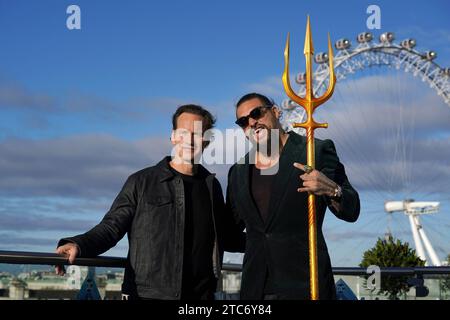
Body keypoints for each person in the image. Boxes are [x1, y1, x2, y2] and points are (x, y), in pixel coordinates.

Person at [55, 104, 245, 300]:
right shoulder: (141, 181)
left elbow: (227, 236)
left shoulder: (212, 187)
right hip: (147, 295)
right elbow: (111, 227)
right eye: (183, 132)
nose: (189, 139)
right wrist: (78, 244)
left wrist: (272, 242)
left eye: (197, 134)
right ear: (172, 136)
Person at [226, 93, 360, 300]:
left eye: (257, 113)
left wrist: (333, 190)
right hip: (255, 290)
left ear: (276, 112)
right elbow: (231, 234)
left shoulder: (314, 151)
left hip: (306, 285)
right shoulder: (238, 172)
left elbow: (352, 210)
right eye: (243, 121)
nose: (252, 122)